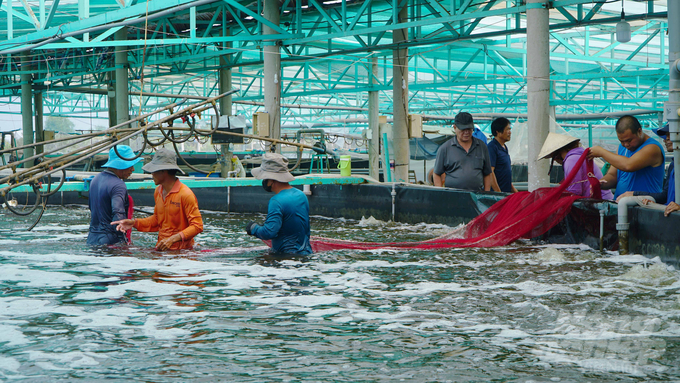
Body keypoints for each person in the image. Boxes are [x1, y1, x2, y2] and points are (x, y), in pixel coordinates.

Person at [112, 148, 203, 250]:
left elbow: (197, 226)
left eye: (153, 171)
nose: (152, 174)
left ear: (163, 171)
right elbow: (156, 220)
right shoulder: (158, 191)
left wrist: (172, 239)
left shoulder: (185, 194)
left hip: (182, 252)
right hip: (161, 248)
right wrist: (134, 223)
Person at [245, 152, 313, 255]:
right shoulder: (301, 195)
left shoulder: (276, 201)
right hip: (306, 253)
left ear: (271, 180)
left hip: (285, 258)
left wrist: (253, 228)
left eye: (264, 178)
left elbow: (269, 232)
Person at [587, 115, 665, 199]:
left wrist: (601, 152)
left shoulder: (652, 148)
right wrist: (600, 184)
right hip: (621, 205)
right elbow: (613, 175)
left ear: (639, 131)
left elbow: (628, 165)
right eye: (622, 141)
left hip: (644, 208)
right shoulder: (622, 148)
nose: (626, 145)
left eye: (629, 140)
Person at [618, 123, 678, 216]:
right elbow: (665, 196)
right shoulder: (674, 165)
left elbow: (628, 165)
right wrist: (642, 197)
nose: (666, 139)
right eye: (666, 135)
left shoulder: (653, 148)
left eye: (672, 134)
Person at [87, 145, 141, 246]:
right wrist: (124, 243)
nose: (133, 169)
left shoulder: (95, 180)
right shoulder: (119, 185)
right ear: (121, 164)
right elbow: (118, 218)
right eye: (130, 165)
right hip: (110, 241)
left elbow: (91, 208)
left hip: (92, 238)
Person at [538, 132, 614, 199]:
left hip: (599, 204)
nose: (556, 161)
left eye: (553, 157)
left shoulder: (571, 160)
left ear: (558, 154)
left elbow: (575, 190)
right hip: (602, 201)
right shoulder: (579, 156)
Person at [433, 111, 492, 191]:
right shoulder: (445, 149)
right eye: (463, 129)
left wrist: (486, 194)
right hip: (453, 196)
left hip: (477, 196)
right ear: (454, 128)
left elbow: (487, 173)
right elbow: (436, 173)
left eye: (469, 129)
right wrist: (440, 193)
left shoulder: (481, 147)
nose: (466, 132)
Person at [487, 117, 518, 193]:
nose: (510, 132)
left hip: (505, 193)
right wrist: (498, 193)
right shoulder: (492, 148)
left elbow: (504, 172)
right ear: (498, 132)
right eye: (507, 129)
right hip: (497, 196)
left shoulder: (504, 147)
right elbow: (490, 172)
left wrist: (513, 190)